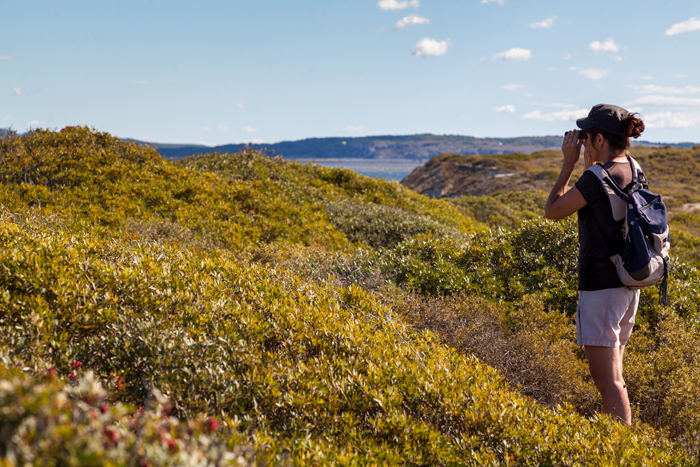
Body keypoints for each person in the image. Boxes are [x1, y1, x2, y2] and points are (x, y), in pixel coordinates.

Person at [544, 103, 646, 425]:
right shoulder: (633, 166)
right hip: (628, 285)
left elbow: (553, 210)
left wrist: (569, 164)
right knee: (616, 378)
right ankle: (622, 446)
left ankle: (619, 451)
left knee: (608, 383)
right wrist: (590, 167)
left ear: (600, 139)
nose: (583, 140)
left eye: (587, 135)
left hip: (601, 289)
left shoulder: (597, 177)